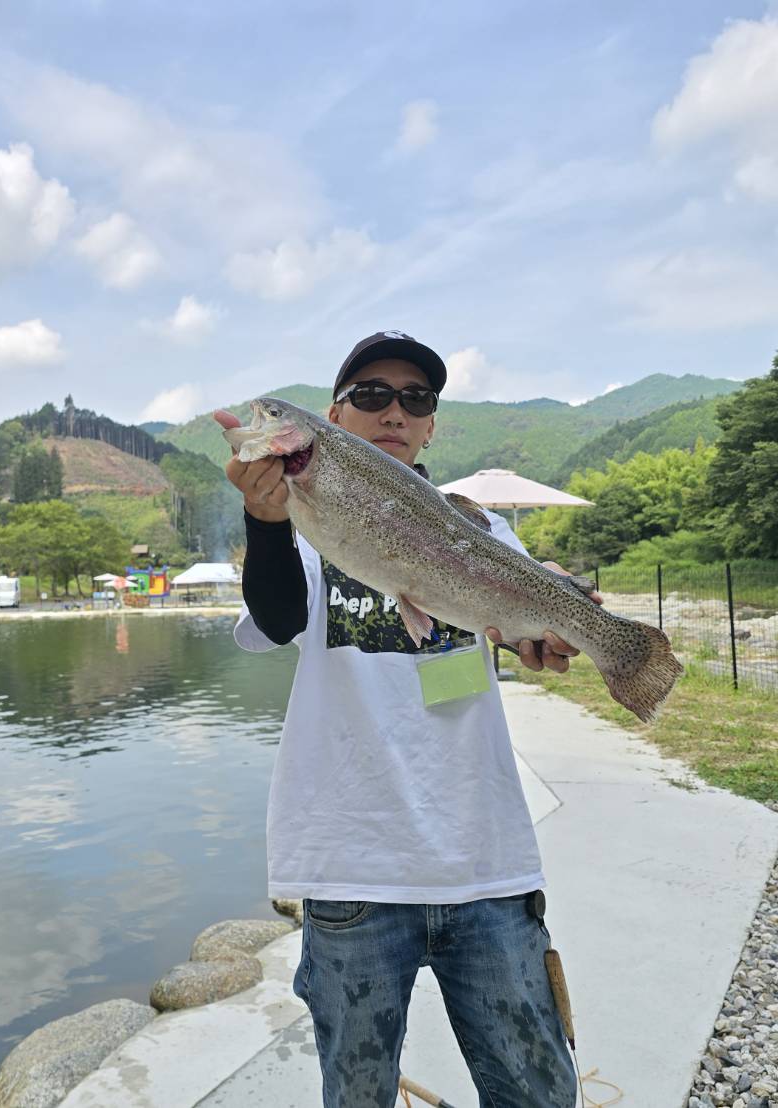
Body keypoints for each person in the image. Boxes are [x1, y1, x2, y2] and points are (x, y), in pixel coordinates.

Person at [219, 332, 590, 1108]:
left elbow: (525, 634)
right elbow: (279, 617)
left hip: (485, 864)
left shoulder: (484, 530)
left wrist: (550, 636)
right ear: (331, 418)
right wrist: (263, 521)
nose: (394, 409)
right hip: (350, 868)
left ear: (430, 426)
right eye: (372, 395)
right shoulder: (303, 524)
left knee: (538, 1093)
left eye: (415, 399)